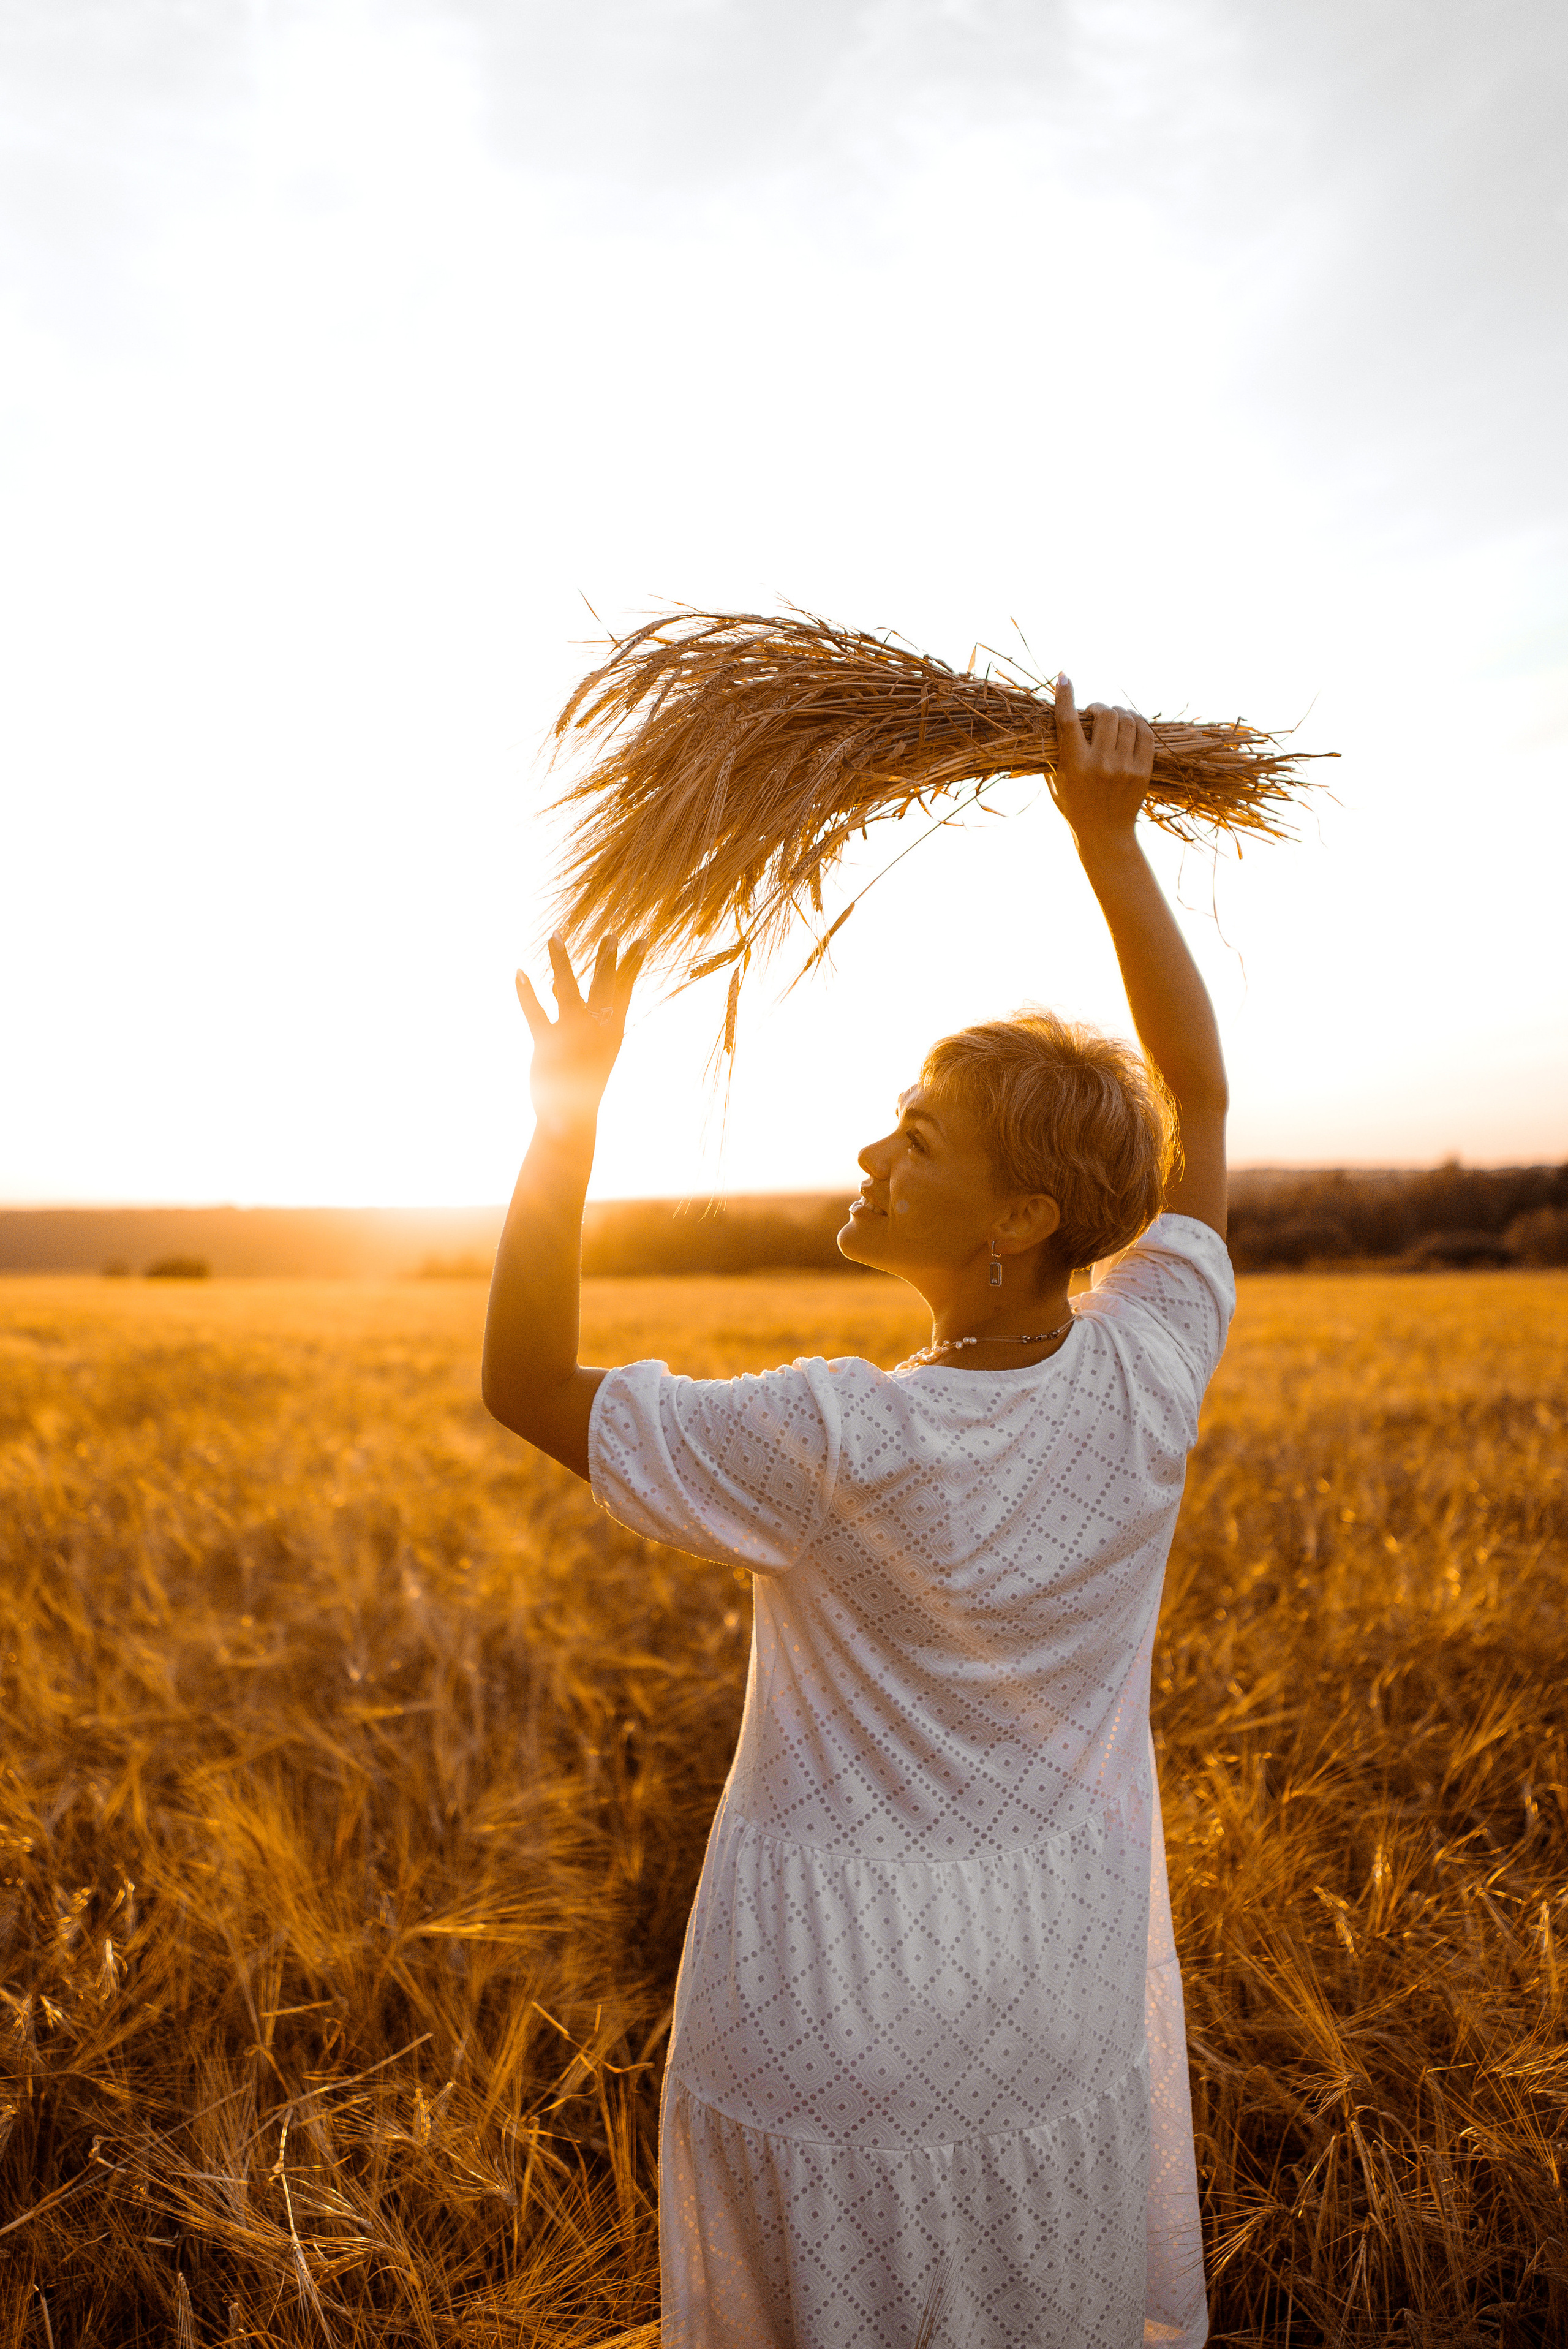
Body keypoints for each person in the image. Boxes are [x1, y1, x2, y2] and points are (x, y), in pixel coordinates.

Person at [483, 676, 1233, 2349]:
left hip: (830, 2013)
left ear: (1019, 1217)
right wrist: (1111, 845)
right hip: (1055, 1993)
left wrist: (568, 1111)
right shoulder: (1150, 1371)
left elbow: (529, 1383)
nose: (873, 1151)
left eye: (921, 1138)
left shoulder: (838, 1436)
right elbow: (1207, 1098)